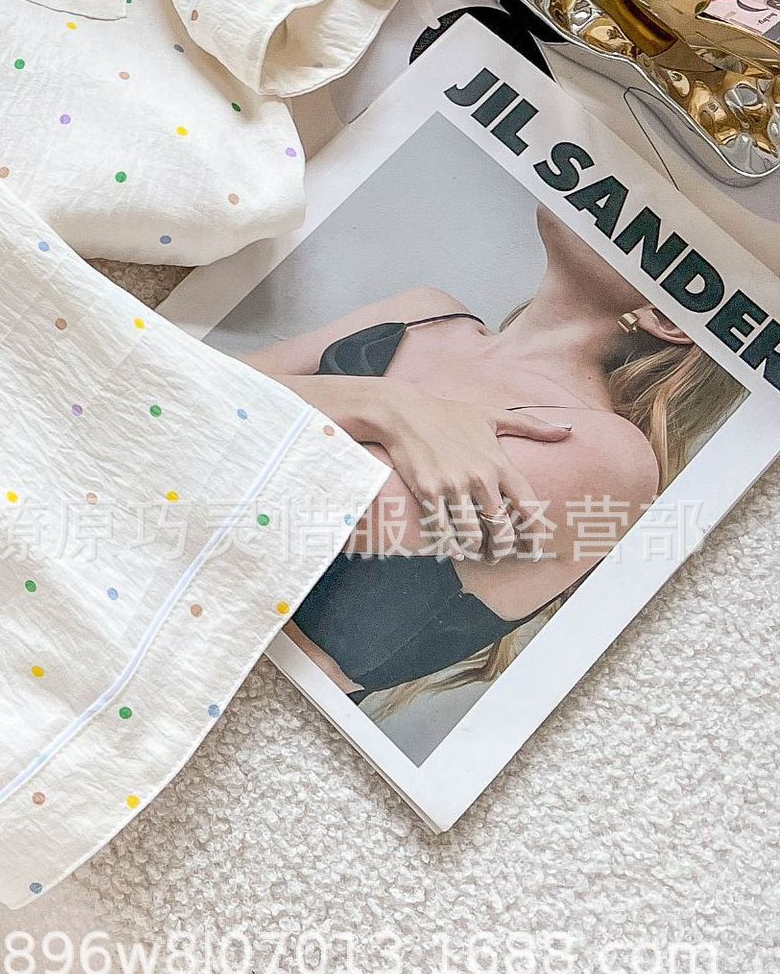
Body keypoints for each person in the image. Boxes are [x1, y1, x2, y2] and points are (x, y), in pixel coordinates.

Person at [246, 203, 742, 706]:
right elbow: (193, 387)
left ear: (667, 316)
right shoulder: (428, 313)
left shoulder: (608, 458)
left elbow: (283, 509)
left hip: (248, 691)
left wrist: (367, 405)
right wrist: (387, 407)